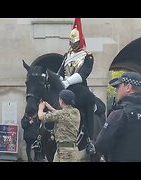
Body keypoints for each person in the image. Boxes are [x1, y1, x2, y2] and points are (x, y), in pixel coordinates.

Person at [94, 72, 141, 162]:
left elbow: (101, 145)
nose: (116, 90)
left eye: (119, 87)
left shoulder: (118, 115)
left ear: (128, 87)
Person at [57, 18, 96, 151]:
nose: (73, 45)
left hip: (79, 87)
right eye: (71, 42)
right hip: (64, 87)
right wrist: (59, 80)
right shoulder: (66, 55)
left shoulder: (87, 56)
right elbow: (60, 71)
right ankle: (41, 136)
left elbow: (84, 73)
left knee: (90, 101)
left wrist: (67, 81)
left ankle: (91, 139)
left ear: (80, 41)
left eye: (75, 42)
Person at [38, 89, 81, 162]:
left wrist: (40, 108)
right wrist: (50, 107)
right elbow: (62, 114)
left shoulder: (59, 114)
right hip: (69, 150)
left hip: (65, 153)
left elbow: (41, 116)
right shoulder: (76, 112)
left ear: (61, 100)